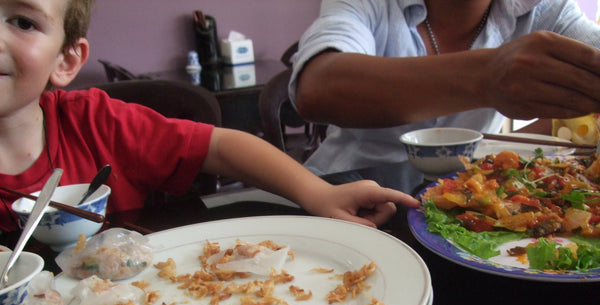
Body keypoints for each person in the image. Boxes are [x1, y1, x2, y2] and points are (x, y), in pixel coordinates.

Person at [0, 0, 420, 235]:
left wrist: (318, 194)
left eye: (21, 21)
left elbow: (222, 146)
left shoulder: (94, 123)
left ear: (66, 59)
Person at [290, 0, 600, 176]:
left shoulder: (546, 10)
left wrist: (499, 156)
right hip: (340, 194)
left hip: (462, 203)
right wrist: (488, 76)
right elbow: (317, 88)